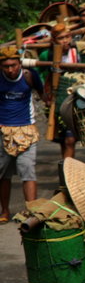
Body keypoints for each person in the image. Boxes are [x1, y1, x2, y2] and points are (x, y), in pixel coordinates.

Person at [0, 47, 44, 223]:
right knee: (3, 174)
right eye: (6, 66)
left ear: (20, 63)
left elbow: (43, 94)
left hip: (27, 129)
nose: (10, 70)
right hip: (3, 131)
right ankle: (4, 211)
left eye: (13, 65)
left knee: (28, 171)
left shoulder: (29, 75)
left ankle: (31, 211)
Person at [40, 23, 80, 159]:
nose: (65, 41)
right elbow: (39, 76)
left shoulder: (76, 52)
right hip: (55, 100)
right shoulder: (46, 55)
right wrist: (46, 93)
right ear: (54, 40)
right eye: (61, 38)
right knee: (63, 140)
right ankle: (66, 169)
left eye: (67, 37)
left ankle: (68, 172)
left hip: (74, 100)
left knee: (70, 140)